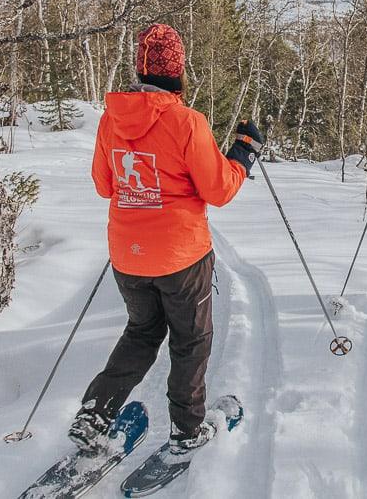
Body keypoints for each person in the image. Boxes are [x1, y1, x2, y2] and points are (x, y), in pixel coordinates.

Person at [69, 23, 264, 455]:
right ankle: (187, 430)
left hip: (128, 255)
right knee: (190, 341)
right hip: (181, 256)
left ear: (139, 68)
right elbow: (219, 190)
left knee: (141, 333)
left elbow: (105, 185)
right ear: (178, 70)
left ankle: (96, 412)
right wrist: (243, 154)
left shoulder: (111, 119)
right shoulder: (185, 122)